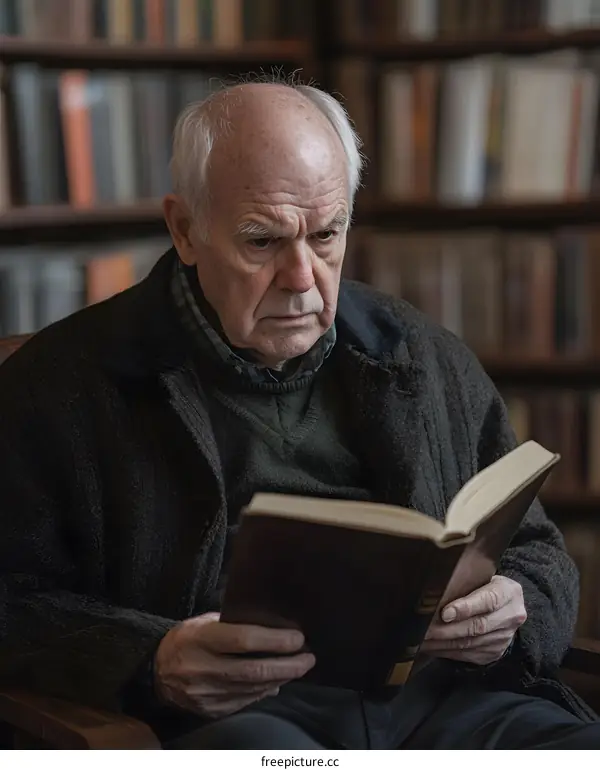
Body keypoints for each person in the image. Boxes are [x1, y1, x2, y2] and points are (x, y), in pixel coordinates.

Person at [0, 76, 598, 751]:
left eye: (326, 234)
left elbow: (538, 550)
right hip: (239, 721)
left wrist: (515, 608)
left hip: (452, 704)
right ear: (185, 229)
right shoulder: (61, 387)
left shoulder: (422, 355)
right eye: (262, 242)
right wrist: (148, 659)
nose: (302, 277)